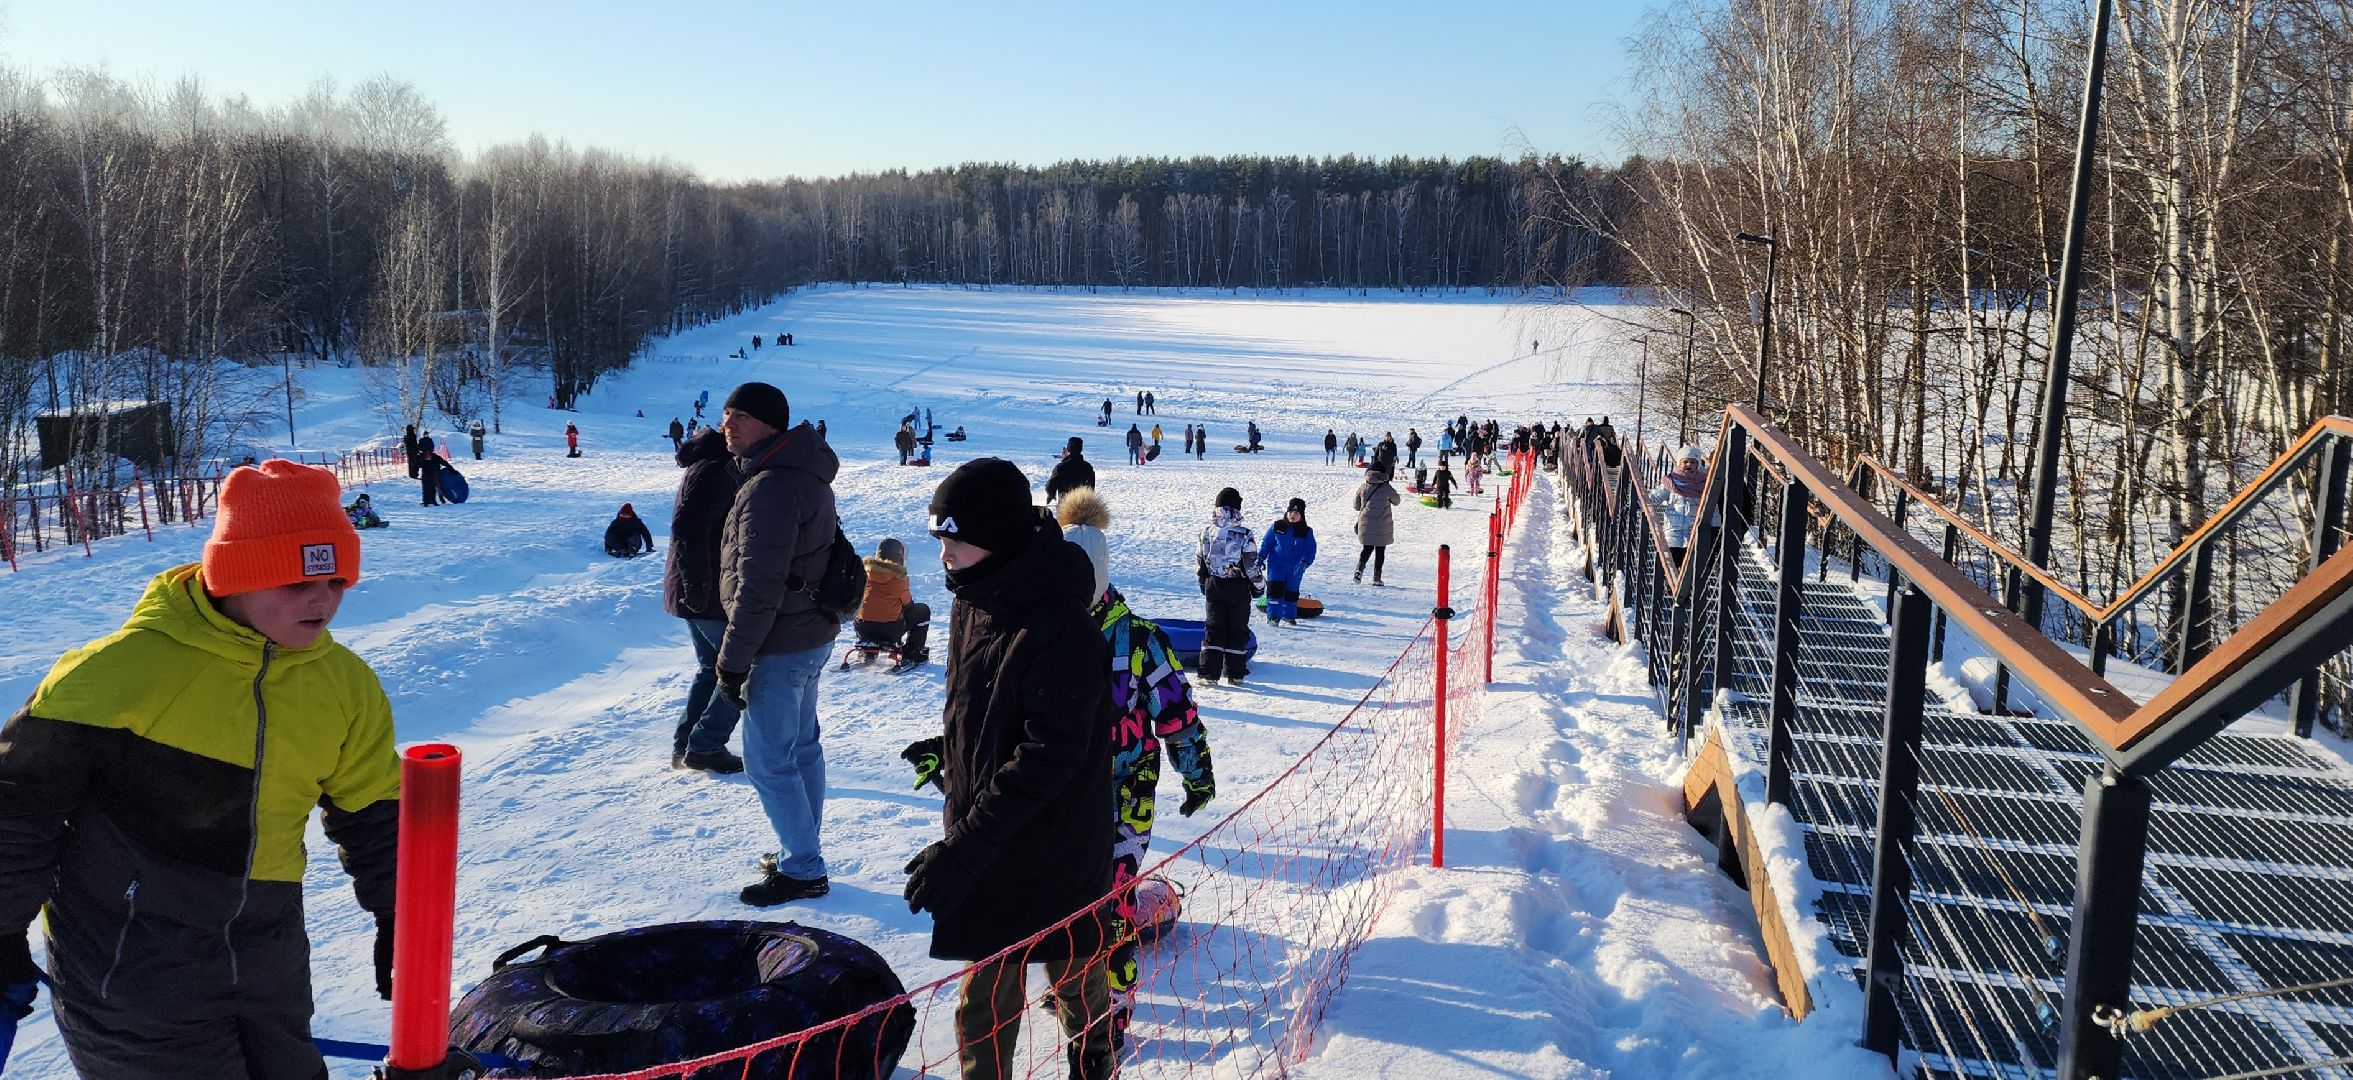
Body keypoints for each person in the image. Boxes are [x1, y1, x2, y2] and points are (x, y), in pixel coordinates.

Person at [0, 461, 399, 1078]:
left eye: (338, 580)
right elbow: (17, 813)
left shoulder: (344, 684)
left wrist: (400, 912)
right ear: (236, 579)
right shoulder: (111, 676)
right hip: (129, 965)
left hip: (269, 957)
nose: (323, 599)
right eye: (296, 583)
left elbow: (374, 811)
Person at [903, 458, 1116, 1080]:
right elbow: (993, 703)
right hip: (991, 835)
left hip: (1055, 844)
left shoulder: (1060, 626)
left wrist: (963, 851)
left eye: (953, 539)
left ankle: (1094, 1058)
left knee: (1074, 970)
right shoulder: (975, 595)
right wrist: (957, 750)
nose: (942, 554)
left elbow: (1051, 754)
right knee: (984, 1000)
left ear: (993, 537)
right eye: (938, 538)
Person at [1046, 486, 1213, 1053]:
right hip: (1059, 798)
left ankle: (1110, 1019)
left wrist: (1196, 771)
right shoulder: (1046, 632)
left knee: (1113, 905)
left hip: (1123, 799)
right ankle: (1073, 986)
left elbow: (1177, 712)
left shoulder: (1140, 640)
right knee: (1062, 899)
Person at [714, 382, 843, 906]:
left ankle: (804, 866)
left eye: (740, 417)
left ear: (770, 425)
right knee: (802, 746)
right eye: (726, 415)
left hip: (779, 641)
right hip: (807, 634)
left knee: (768, 759)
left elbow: (759, 585)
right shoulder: (801, 474)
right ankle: (802, 850)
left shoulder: (771, 487)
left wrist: (732, 662)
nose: (728, 425)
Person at [665, 427, 746, 774]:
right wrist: (698, 586)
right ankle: (705, 745)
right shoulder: (717, 467)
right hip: (707, 590)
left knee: (711, 667)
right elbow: (688, 528)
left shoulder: (708, 462)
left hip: (698, 588)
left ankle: (687, 746)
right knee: (741, 670)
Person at [1195, 488, 1263, 684]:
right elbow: (1251, 565)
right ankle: (1235, 673)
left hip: (1214, 585)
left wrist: (1202, 581)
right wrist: (1259, 586)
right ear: (1237, 508)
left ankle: (1208, 673)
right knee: (1237, 628)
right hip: (1238, 588)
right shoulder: (1244, 534)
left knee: (1214, 628)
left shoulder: (1207, 532)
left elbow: (1200, 560)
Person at [852, 538, 931, 666]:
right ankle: (913, 652)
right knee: (922, 610)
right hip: (889, 631)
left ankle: (868, 650)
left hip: (862, 628)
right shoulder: (899, 578)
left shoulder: (864, 573)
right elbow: (908, 605)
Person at [1261, 498, 1317, 626]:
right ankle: (1273, 617)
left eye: (1296, 513)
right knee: (1274, 590)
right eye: (1290, 512)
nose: (1293, 515)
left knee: (1291, 592)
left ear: (1301, 516)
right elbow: (1267, 544)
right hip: (1276, 564)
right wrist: (1260, 558)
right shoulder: (1278, 526)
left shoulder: (1306, 531)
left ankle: (1289, 616)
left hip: (1295, 567)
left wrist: (1305, 563)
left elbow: (1310, 550)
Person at [1653, 446, 1710, 568]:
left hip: (1693, 531)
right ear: (1679, 463)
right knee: (1672, 563)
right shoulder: (1671, 482)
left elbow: (1712, 507)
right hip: (1673, 530)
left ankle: (1688, 586)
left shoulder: (1704, 483)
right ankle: (1670, 586)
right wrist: (1641, 503)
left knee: (1690, 566)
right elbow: (1656, 496)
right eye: (1685, 461)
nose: (1689, 464)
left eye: (1693, 462)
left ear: (1698, 465)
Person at [1353, 467, 1400, 585]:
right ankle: (1376, 578)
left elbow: (1356, 506)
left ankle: (1359, 569)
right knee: (1380, 550)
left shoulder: (1363, 487)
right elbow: (1397, 501)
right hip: (1382, 525)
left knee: (1367, 548)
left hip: (1366, 523)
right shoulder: (1387, 488)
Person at [1047, 436, 1095, 506]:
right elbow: (1091, 487)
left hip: (1065, 507)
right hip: (1083, 505)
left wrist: (1051, 495)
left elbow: (1051, 485)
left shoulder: (1061, 467)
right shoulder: (1088, 467)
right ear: (1081, 449)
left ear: (1068, 449)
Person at [418, 433, 446, 506]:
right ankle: (427, 501)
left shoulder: (428, 441)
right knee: (427, 486)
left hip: (431, 469)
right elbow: (420, 448)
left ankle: (431, 500)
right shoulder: (422, 441)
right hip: (427, 467)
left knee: (432, 486)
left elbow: (431, 447)